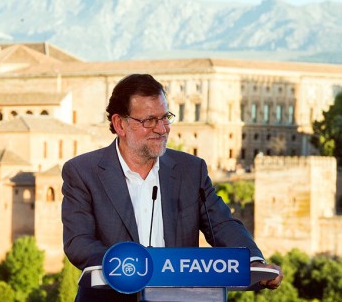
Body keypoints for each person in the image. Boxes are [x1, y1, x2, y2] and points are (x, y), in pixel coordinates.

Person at [61, 74, 283, 301]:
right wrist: (130, 266)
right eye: (149, 121)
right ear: (120, 124)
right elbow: (78, 243)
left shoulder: (190, 169)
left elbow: (222, 224)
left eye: (165, 117)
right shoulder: (82, 172)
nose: (162, 129)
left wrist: (254, 262)